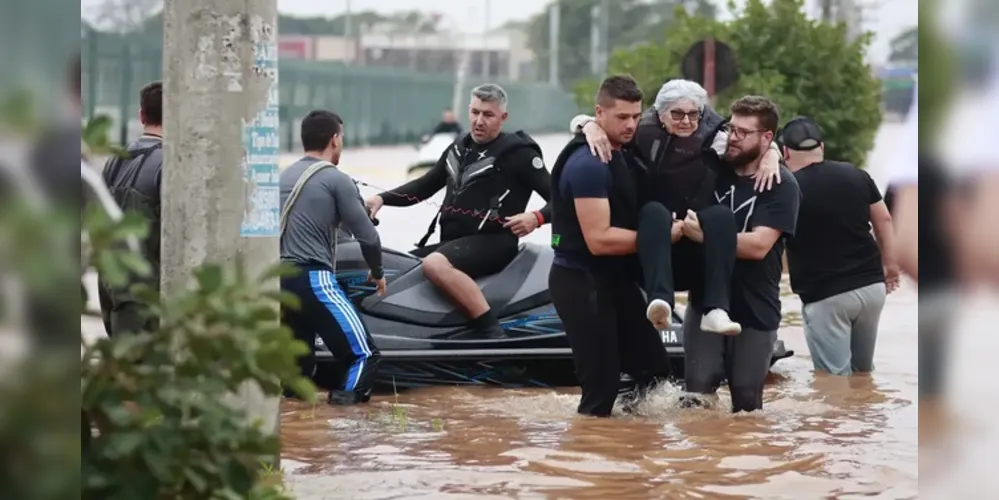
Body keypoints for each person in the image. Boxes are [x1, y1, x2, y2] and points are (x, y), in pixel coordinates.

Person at [567, 80, 782, 334]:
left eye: (693, 114)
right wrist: (589, 126)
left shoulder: (716, 137)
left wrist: (773, 153)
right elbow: (595, 120)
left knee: (721, 215)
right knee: (654, 210)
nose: (686, 121)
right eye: (677, 114)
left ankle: (716, 309)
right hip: (655, 237)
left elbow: (751, 144)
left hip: (695, 237)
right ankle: (661, 302)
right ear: (661, 114)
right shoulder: (639, 130)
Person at [365, 84, 552, 339]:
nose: (479, 121)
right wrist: (381, 199)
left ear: (503, 117)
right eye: (475, 112)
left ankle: (492, 333)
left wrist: (536, 217)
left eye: (488, 114)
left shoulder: (519, 153)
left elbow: (563, 198)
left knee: (434, 264)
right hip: (454, 244)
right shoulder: (459, 147)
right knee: (392, 268)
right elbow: (424, 186)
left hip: (495, 243)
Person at [548, 75, 672, 417]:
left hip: (615, 281)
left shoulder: (623, 148)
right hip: (580, 280)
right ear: (600, 113)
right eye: (622, 118)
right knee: (601, 389)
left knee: (655, 371)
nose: (631, 125)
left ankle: (632, 455)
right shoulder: (588, 163)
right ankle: (590, 457)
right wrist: (663, 237)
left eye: (636, 116)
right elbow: (599, 240)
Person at [680, 96, 801, 413]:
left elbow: (760, 245)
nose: (732, 137)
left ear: (766, 138)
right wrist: (591, 125)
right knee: (696, 402)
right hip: (704, 302)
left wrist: (705, 237)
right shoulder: (710, 167)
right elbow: (661, 120)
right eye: (731, 129)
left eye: (743, 133)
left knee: (747, 409)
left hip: (755, 307)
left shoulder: (781, 184)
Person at [280, 110, 387, 405]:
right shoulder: (336, 179)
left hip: (277, 281)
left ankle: (297, 435)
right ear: (335, 139)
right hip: (311, 279)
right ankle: (344, 429)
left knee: (296, 369)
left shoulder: (283, 176)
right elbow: (368, 236)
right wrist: (377, 271)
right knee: (363, 355)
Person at [779, 116, 899, 376]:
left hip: (825, 295)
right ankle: (868, 414)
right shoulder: (856, 174)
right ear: (821, 146)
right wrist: (890, 265)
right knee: (863, 373)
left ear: (785, 151)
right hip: (871, 288)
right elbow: (885, 219)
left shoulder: (787, 187)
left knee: (833, 381)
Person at [97, 81, 164, 338]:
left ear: (141, 115)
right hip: (143, 292)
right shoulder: (170, 163)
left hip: (109, 284)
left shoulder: (115, 160)